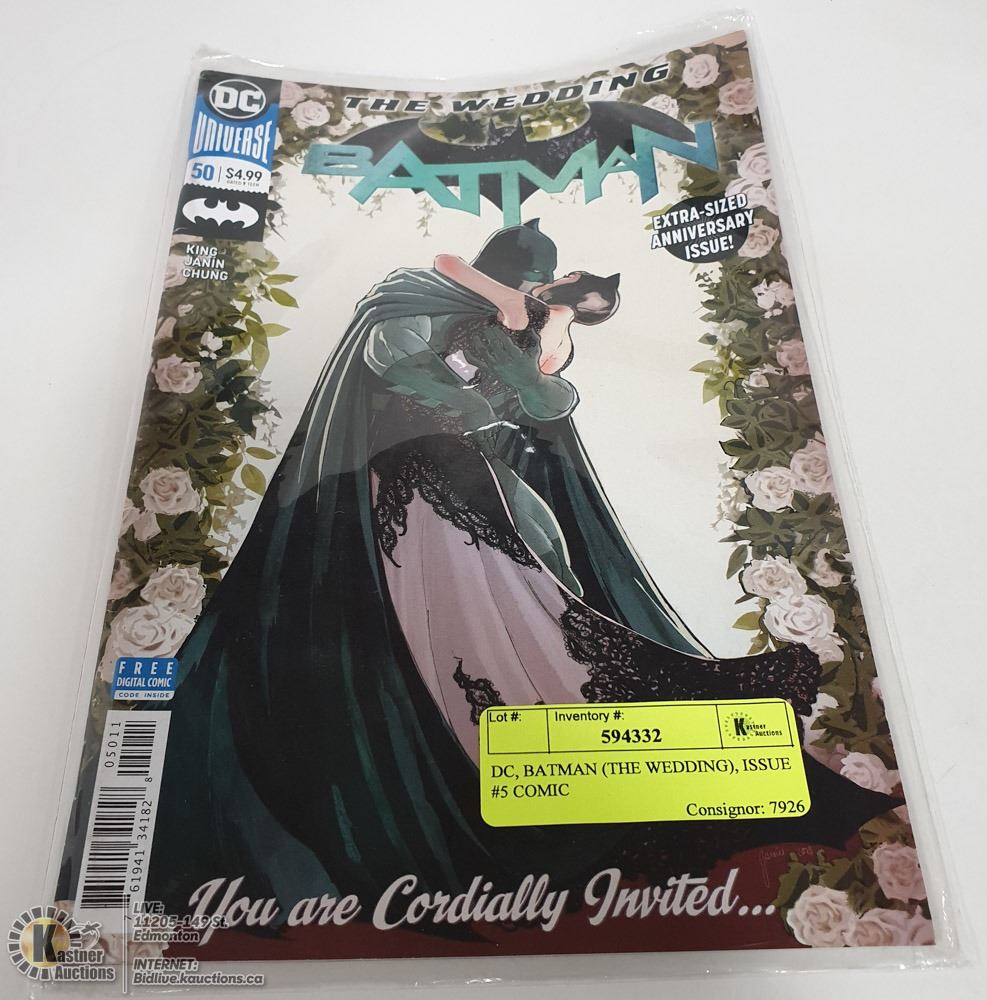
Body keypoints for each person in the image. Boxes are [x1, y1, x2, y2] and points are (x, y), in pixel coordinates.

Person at [91, 221, 895, 929]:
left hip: (461, 474)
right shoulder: (419, 295)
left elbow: (543, 402)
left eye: (562, 290)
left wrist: (541, 335)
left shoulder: (512, 328)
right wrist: (494, 335)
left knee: (527, 580)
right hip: (401, 477)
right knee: (456, 605)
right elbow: (400, 350)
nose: (548, 294)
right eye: (544, 282)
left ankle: (552, 747)